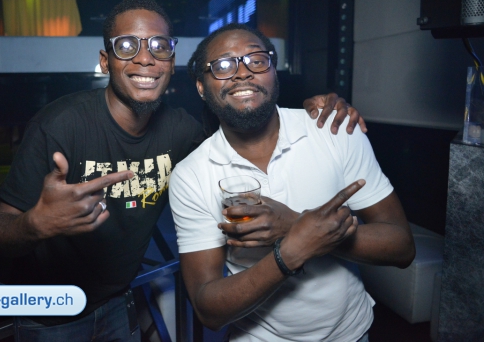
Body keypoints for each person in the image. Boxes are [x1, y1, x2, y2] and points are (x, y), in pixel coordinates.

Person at [0, 0, 366, 341]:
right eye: (127, 46)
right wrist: (35, 225)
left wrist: (319, 109)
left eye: (159, 46)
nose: (145, 59)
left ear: (171, 61)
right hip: (51, 312)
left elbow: (243, 124)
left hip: (119, 301)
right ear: (105, 61)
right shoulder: (60, 125)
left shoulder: (182, 130)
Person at [169, 23, 416, 342]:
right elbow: (209, 310)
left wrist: (295, 225)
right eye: (224, 65)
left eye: (257, 60)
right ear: (201, 87)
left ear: (274, 72)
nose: (243, 73)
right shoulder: (191, 175)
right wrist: (289, 252)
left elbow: (401, 246)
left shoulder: (333, 130)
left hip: (352, 333)